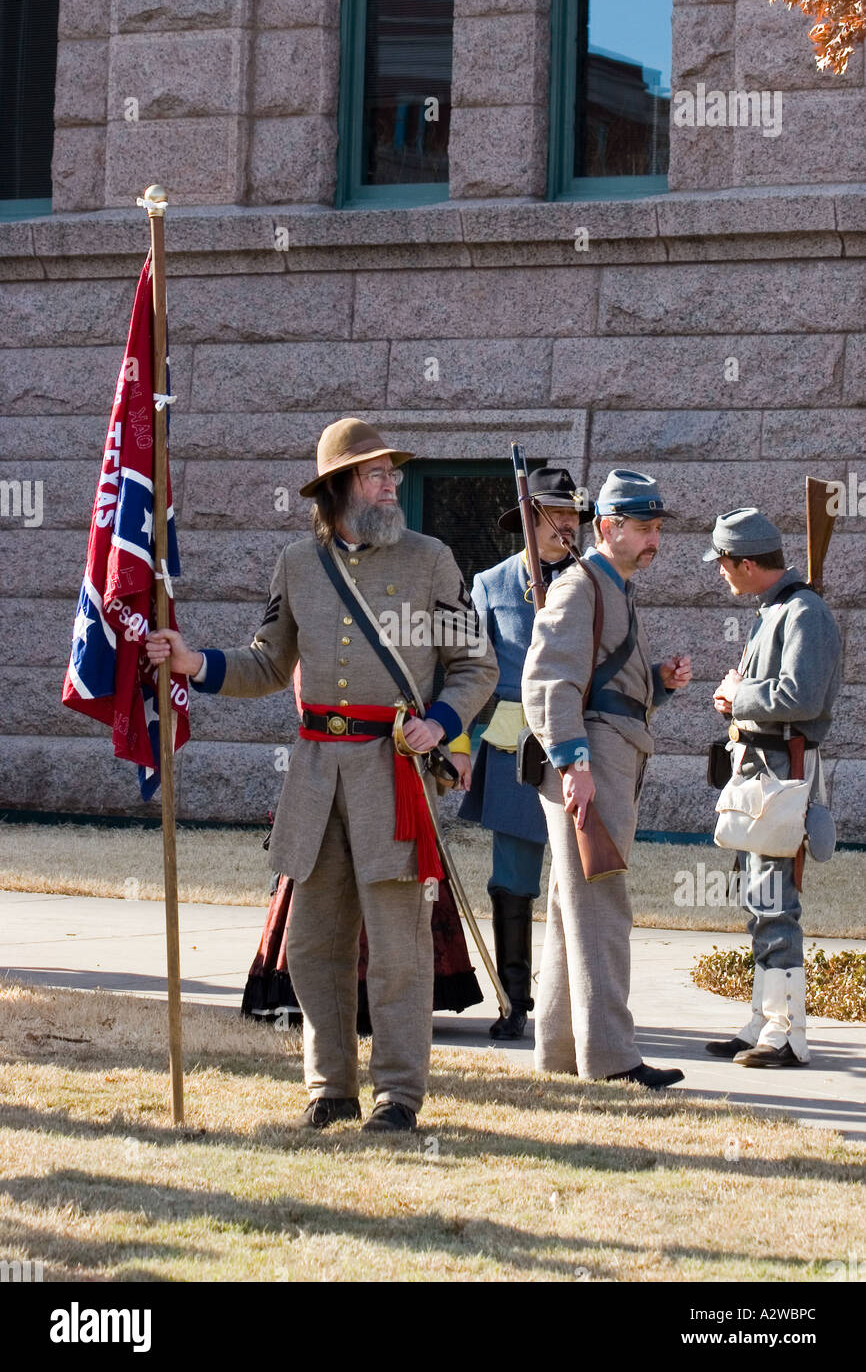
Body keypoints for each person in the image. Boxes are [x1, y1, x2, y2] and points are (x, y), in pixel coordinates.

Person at [146, 418, 498, 1131]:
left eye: (393, 474)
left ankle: (398, 1096)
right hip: (313, 778)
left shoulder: (433, 560)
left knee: (398, 949)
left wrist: (443, 721)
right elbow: (269, 665)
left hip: (392, 772)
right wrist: (195, 664)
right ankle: (329, 1087)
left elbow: (477, 664)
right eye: (377, 475)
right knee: (312, 946)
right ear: (340, 488)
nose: (392, 485)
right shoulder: (297, 565)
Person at [521, 470, 692, 1090]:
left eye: (655, 529)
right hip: (592, 762)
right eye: (643, 528)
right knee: (603, 902)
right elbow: (547, 683)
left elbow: (604, 683)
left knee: (577, 906)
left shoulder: (611, 586)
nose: (654, 540)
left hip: (608, 754)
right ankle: (615, 1058)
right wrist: (574, 765)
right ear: (607, 528)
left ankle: (563, 1053)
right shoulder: (581, 586)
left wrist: (658, 682)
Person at [458, 468, 593, 1039]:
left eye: (572, 517)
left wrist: (660, 682)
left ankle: (582, 1007)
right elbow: (464, 669)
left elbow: (619, 666)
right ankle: (516, 1002)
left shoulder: (597, 581)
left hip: (583, 743)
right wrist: (458, 742)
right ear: (529, 522)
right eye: (555, 516)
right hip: (515, 744)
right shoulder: (489, 583)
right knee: (512, 876)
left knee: (582, 880)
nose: (567, 526)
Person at [704, 507, 841, 1068]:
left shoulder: (804, 612)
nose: (721, 573)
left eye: (724, 564)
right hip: (762, 770)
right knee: (760, 902)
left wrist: (738, 695)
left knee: (776, 904)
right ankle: (762, 1021)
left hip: (784, 772)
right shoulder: (776, 610)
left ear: (746, 562)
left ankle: (787, 1035)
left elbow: (802, 698)